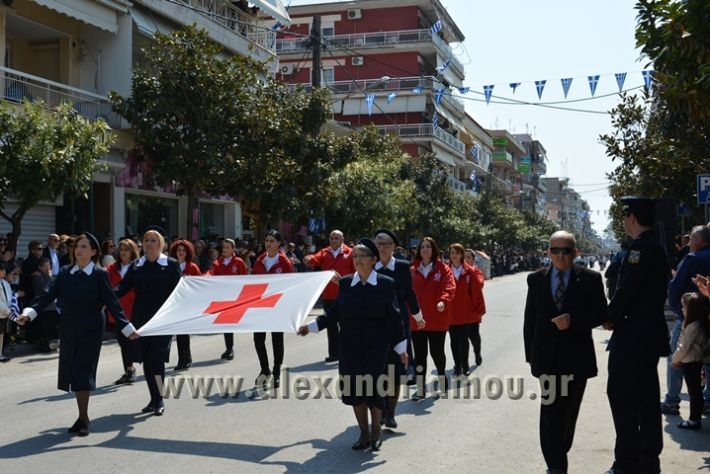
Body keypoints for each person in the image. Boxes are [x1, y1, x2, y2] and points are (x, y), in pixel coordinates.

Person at [16, 232, 138, 436]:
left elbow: (112, 303)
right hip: (69, 327)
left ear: (93, 252)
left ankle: (83, 418)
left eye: (83, 246)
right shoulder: (65, 272)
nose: (78, 250)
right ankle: (82, 416)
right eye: (77, 246)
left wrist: (127, 328)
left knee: (83, 371)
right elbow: (48, 294)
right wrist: (29, 313)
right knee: (72, 371)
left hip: (91, 328)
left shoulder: (99, 274)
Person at [298, 239, 408, 451]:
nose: (357, 260)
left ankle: (376, 430)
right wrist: (310, 327)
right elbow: (335, 313)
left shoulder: (386, 284)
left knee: (374, 389)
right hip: (349, 346)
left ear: (373, 260)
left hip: (377, 346)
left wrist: (401, 349)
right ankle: (363, 433)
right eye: (355, 256)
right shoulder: (347, 284)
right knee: (354, 389)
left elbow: (395, 319)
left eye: (362, 256)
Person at [523, 231, 608, 474]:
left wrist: (574, 320)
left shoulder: (591, 279)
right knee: (550, 411)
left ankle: (559, 450)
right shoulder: (536, 279)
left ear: (575, 252)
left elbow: (601, 314)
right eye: (556, 250)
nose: (561, 255)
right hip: (547, 360)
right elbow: (531, 319)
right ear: (548, 252)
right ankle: (556, 465)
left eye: (566, 250)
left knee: (568, 412)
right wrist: (531, 356)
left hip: (576, 359)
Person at [604, 197, 670, 474]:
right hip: (649, 336)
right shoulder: (656, 247)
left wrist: (609, 316)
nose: (623, 222)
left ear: (631, 218)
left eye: (624, 217)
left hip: (632, 338)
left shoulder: (639, 250)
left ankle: (628, 461)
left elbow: (626, 292)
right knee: (646, 398)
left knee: (623, 397)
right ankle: (648, 460)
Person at [115, 226, 182, 416]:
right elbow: (122, 288)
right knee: (146, 360)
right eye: (146, 240)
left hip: (163, 319)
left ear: (161, 244)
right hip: (141, 319)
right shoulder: (137, 265)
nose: (149, 243)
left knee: (157, 359)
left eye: (153, 240)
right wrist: (104, 298)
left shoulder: (170, 264)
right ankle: (153, 398)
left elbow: (180, 291)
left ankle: (159, 399)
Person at [373, 229, 423, 428]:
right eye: (378, 243)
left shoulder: (402, 267)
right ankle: (382, 408)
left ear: (394, 247)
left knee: (394, 371)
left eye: (386, 243)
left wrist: (418, 317)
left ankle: (390, 412)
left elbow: (410, 295)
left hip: (398, 325)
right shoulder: (369, 266)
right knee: (378, 370)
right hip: (375, 325)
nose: (381, 247)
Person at [662, 225, 710, 415]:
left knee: (676, 357)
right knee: (708, 361)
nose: (689, 244)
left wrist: (682, 315)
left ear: (698, 241)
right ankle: (707, 401)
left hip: (690, 320)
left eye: (691, 241)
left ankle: (672, 400)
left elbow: (674, 290)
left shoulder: (692, 259)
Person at [410, 237, 456, 399]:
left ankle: (442, 379)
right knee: (420, 355)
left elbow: (449, 287)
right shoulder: (412, 269)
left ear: (434, 249)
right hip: (417, 320)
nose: (425, 249)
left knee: (437, 353)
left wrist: (443, 301)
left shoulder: (442, 268)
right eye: (422, 247)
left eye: (428, 246)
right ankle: (421, 389)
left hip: (437, 318)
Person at [303, 230, 355, 362]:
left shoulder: (350, 253)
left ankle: (347, 352)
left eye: (336, 238)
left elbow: (356, 273)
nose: (333, 240)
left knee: (346, 326)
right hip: (328, 295)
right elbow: (315, 259)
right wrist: (308, 259)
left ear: (342, 239)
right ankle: (334, 354)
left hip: (345, 295)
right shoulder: (324, 252)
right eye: (331, 238)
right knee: (331, 326)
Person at [251, 230, 293, 389]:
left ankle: (276, 372)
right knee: (258, 339)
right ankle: (264, 370)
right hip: (261, 307)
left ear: (278, 243)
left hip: (277, 307)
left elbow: (290, 285)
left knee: (277, 340)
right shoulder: (259, 261)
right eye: (267, 240)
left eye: (272, 241)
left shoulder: (285, 262)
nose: (268, 243)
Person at [671, 292, 708, 430]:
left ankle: (694, 420)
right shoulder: (696, 324)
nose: (682, 309)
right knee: (695, 391)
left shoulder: (693, 326)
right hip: (692, 361)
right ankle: (695, 418)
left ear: (691, 309)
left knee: (694, 392)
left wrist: (675, 360)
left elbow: (683, 347)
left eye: (684, 307)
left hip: (691, 362)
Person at [447, 243, 485, 377]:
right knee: (453, 341)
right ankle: (457, 365)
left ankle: (465, 364)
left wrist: (479, 309)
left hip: (466, 313)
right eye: (452, 253)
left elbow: (476, 291)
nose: (454, 255)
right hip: (450, 313)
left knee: (464, 340)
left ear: (461, 255)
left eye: (457, 253)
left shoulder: (470, 271)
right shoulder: (446, 270)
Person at [207, 238, 248, 360]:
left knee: (229, 324)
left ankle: (230, 349)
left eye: (227, 247)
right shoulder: (217, 263)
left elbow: (245, 278)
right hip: (223, 298)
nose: (225, 250)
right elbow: (210, 274)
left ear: (233, 249)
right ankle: (229, 348)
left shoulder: (239, 262)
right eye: (224, 247)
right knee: (226, 324)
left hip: (235, 298)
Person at [106, 239, 140, 385]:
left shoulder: (138, 267)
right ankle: (129, 370)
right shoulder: (112, 269)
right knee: (123, 341)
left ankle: (131, 369)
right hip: (119, 311)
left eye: (127, 249)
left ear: (132, 252)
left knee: (131, 341)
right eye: (121, 250)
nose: (123, 252)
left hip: (134, 309)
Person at [169, 239, 202, 371]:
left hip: (187, 303)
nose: (181, 252)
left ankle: (186, 358)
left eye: (183, 250)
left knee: (184, 333)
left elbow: (199, 283)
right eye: (179, 250)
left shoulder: (192, 267)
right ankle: (181, 359)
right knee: (178, 334)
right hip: (176, 303)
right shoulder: (172, 266)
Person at [31, 257, 57, 352]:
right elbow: (45, 289)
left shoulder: (47, 276)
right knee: (44, 328)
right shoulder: (38, 277)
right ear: (40, 267)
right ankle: (43, 346)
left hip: (51, 306)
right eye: (45, 266)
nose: (48, 268)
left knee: (49, 327)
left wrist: (50, 277)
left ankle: (47, 345)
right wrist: (50, 278)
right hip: (43, 307)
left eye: (49, 265)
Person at [0, 260, 19, 362]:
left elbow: (10, 297)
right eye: (1, 270)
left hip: (4, 314)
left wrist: (12, 309)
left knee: (1, 334)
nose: (3, 272)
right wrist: (8, 311)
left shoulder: (5, 283)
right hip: (3, 311)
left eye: (4, 270)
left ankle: (0, 354)